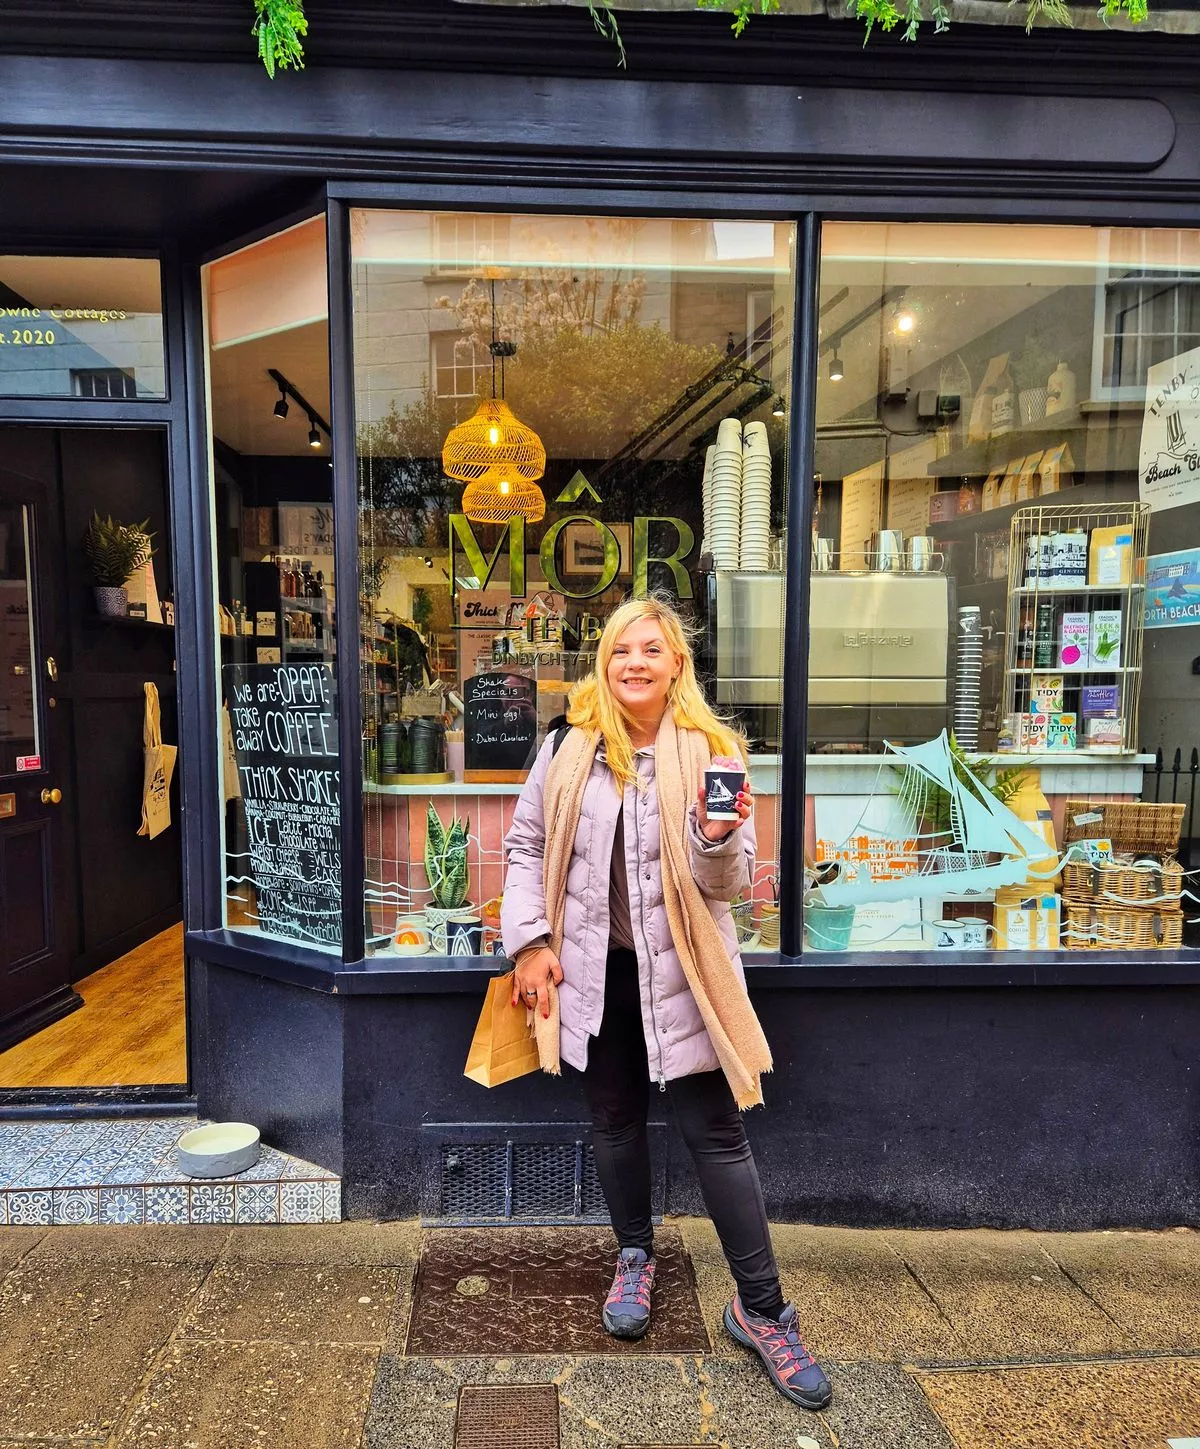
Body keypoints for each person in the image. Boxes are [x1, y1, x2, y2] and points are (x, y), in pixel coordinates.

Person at [500, 595, 831, 1413]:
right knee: (612, 1121)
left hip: (685, 973)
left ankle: (761, 1311)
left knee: (717, 1137)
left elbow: (726, 886)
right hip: (595, 970)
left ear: (676, 663)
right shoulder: (569, 747)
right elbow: (526, 845)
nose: (635, 663)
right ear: (604, 664)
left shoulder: (712, 751)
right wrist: (531, 941)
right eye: (621, 651)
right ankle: (636, 1255)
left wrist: (717, 838)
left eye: (652, 649)